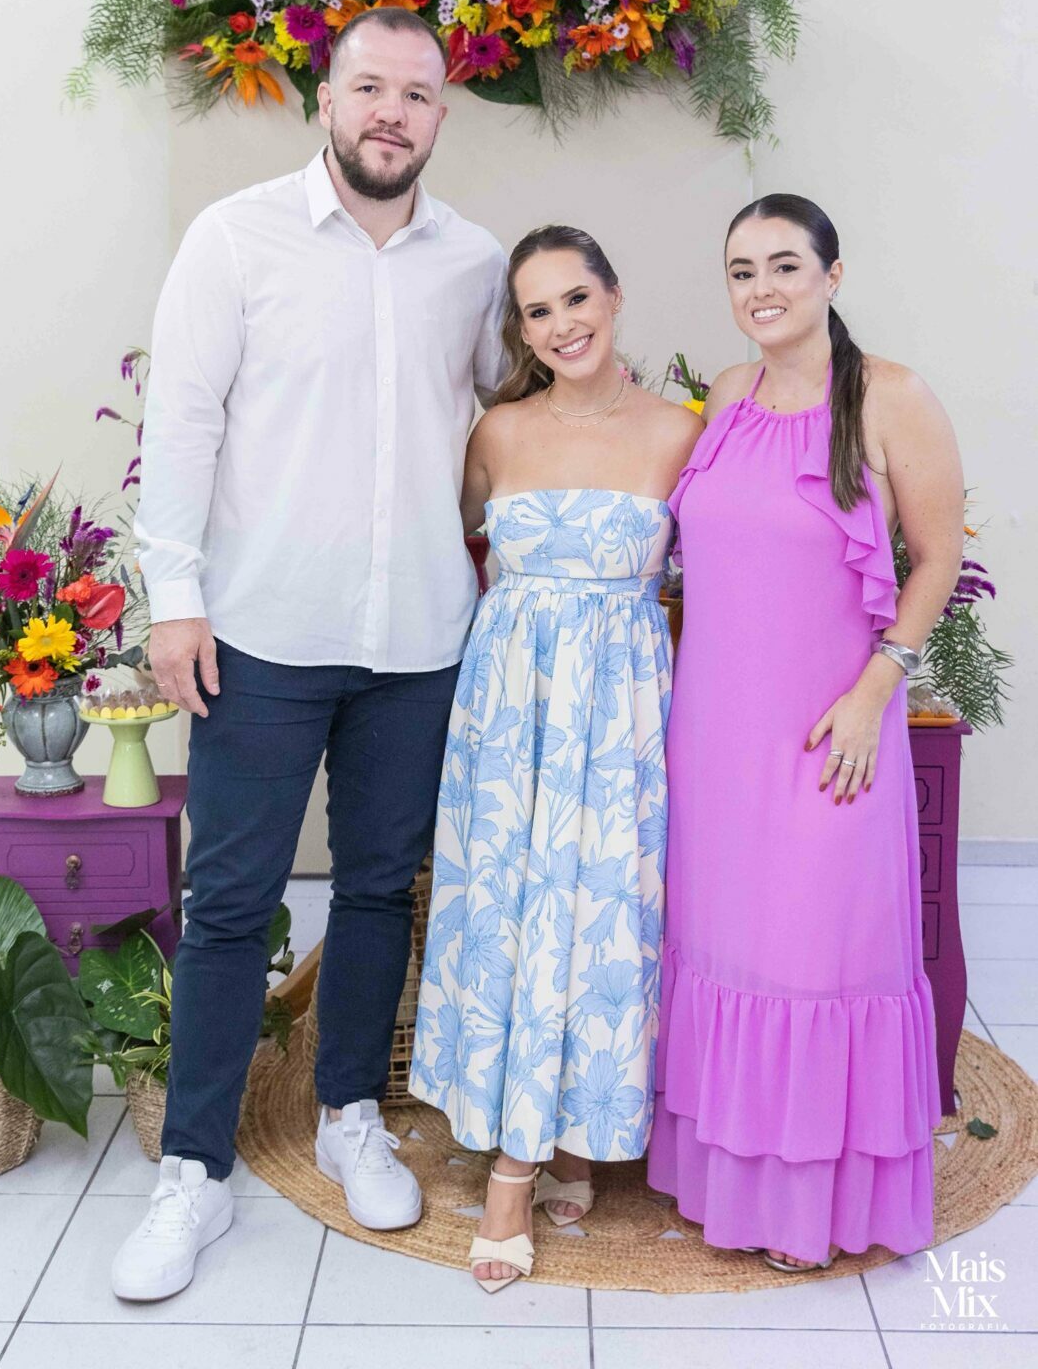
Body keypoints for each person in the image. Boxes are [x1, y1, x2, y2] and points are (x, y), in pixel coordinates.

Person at [112, 8, 509, 1301]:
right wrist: (175, 600)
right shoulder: (234, 238)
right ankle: (193, 1169)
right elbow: (181, 423)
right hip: (261, 634)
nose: (392, 111)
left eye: (417, 93)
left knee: (380, 888)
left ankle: (349, 1114)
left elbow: (504, 417)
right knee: (229, 903)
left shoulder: (474, 261)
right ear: (325, 101)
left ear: (439, 115)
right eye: (369, 87)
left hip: (418, 638)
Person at [648, 193, 964, 1271]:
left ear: (832, 275)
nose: (761, 289)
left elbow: (934, 557)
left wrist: (876, 691)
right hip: (712, 734)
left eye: (784, 265)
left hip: (829, 727)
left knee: (813, 960)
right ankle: (721, 1178)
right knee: (724, 950)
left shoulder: (889, 396)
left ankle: (809, 1204)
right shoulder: (728, 393)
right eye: (741, 271)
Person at [409, 225, 702, 1291]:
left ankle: (567, 1135)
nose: (562, 324)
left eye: (576, 297)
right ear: (521, 331)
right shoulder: (496, 431)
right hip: (507, 714)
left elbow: (727, 576)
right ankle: (516, 1158)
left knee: (599, 914)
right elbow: (439, 547)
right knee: (513, 913)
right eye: (537, 310)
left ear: (613, 297)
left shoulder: (680, 433)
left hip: (619, 713)